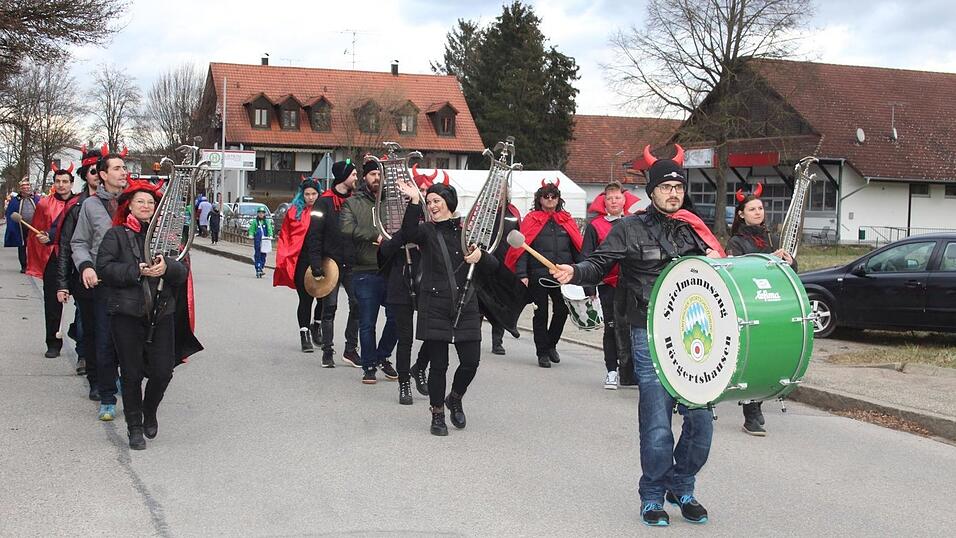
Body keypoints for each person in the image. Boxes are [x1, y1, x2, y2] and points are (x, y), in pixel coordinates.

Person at [551, 145, 726, 527]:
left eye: (678, 187)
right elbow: (599, 263)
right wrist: (574, 272)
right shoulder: (629, 228)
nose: (673, 193)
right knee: (657, 421)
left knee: (701, 422)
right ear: (651, 191)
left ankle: (682, 486)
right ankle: (652, 495)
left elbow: (721, 273)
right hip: (647, 332)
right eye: (665, 187)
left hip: (692, 336)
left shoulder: (693, 229)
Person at [395, 178, 498, 436]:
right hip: (434, 303)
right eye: (429, 202)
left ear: (449, 202)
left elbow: (494, 266)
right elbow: (407, 233)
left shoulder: (468, 232)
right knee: (438, 365)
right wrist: (415, 201)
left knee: (471, 362)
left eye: (436, 201)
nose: (432, 206)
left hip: (466, 305)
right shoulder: (426, 232)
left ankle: (456, 397)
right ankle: (437, 413)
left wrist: (481, 256)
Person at [96, 180, 193, 450]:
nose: (146, 206)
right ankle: (135, 427)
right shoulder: (115, 235)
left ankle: (149, 410)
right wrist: (136, 270)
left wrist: (167, 269)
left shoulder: (167, 238)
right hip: (126, 313)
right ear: (129, 205)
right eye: (141, 202)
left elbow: (182, 271)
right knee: (131, 373)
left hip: (161, 312)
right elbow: (104, 268)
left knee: (163, 371)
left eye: (151, 203)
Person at [725, 186, 796, 436]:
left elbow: (791, 270)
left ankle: (757, 401)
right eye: (752, 209)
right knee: (750, 357)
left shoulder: (772, 238)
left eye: (760, 209)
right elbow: (738, 269)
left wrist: (788, 260)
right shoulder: (736, 241)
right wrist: (768, 259)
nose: (758, 212)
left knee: (768, 355)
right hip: (748, 305)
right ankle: (751, 411)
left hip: (773, 305)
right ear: (741, 215)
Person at [72, 146, 130, 421]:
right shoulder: (90, 206)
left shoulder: (135, 202)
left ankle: (128, 388)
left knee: (129, 341)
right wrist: (85, 266)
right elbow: (79, 242)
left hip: (131, 281)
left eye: (124, 167)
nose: (123, 172)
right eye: (117, 168)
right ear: (103, 174)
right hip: (103, 283)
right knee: (105, 340)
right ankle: (107, 395)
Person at [504, 180, 582, 368]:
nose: (549, 199)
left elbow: (577, 247)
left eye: (553, 196)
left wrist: (581, 273)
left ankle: (551, 344)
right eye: (545, 196)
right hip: (538, 274)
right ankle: (542, 353)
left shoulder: (566, 220)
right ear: (539, 199)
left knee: (562, 311)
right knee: (541, 313)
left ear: (558, 199)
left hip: (562, 274)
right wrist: (522, 273)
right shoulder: (532, 219)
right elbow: (522, 248)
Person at [340, 160, 399, 383]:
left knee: (396, 317)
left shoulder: (394, 203)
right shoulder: (352, 204)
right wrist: (374, 235)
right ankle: (369, 366)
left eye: (380, 174)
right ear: (365, 177)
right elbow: (345, 227)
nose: (377, 178)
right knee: (367, 322)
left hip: (392, 269)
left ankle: (382, 356)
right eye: (373, 174)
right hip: (364, 269)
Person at [580, 181, 636, 389]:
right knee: (611, 328)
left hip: (632, 285)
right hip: (608, 285)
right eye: (609, 198)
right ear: (604, 202)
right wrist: (589, 286)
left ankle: (629, 371)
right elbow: (587, 256)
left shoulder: (634, 222)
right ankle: (611, 371)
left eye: (617, 197)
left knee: (633, 329)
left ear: (624, 200)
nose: (614, 201)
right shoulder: (595, 226)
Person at [57, 146, 103, 386]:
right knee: (85, 321)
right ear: (86, 174)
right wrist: (63, 283)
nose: (96, 175)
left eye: (99, 170)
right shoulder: (76, 206)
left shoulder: (117, 203)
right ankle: (85, 357)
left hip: (110, 276)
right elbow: (66, 246)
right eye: (92, 171)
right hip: (83, 275)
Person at [25, 164, 77, 358]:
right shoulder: (44, 204)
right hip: (53, 257)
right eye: (58, 181)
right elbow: (35, 233)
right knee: (52, 302)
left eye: (65, 181)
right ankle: (53, 342)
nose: (61, 185)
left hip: (75, 257)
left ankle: (83, 345)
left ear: (72, 183)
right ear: (53, 184)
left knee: (83, 303)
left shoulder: (79, 203)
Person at [273, 177, 328, 354]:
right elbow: (285, 237)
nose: (311, 197)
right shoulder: (294, 212)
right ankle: (304, 334)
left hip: (321, 259)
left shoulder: (324, 209)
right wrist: (284, 258)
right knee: (305, 299)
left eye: (314, 194)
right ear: (302, 194)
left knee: (323, 296)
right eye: (307, 194)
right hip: (300, 260)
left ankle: (316, 326)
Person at [314, 163, 361, 367]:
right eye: (353, 174)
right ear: (343, 177)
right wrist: (316, 263)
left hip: (352, 263)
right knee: (329, 307)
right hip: (330, 262)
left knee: (358, 305)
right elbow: (314, 235)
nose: (356, 177)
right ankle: (327, 351)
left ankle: (351, 350)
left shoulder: (356, 201)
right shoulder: (323, 202)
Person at [489, 201, 522, 355]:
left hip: (505, 265)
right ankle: (472, 338)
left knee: (502, 302)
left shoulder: (513, 213)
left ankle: (498, 341)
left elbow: (520, 239)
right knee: (480, 301)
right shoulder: (484, 211)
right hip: (485, 262)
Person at [4, 178, 40, 273]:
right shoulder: (15, 201)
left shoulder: (37, 199)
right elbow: (10, 214)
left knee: (34, 246)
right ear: (20, 188)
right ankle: (24, 265)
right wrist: (12, 227)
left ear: (30, 187)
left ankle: (34, 265)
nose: (26, 188)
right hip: (20, 228)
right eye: (23, 186)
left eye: (27, 185)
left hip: (34, 227)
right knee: (22, 246)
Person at [248, 207, 273, 278]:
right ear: (258, 213)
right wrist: (251, 234)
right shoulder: (255, 221)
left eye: (262, 213)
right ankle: (258, 268)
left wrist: (270, 235)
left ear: (264, 214)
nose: (261, 214)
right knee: (257, 254)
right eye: (259, 213)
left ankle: (261, 266)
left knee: (263, 255)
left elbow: (269, 228)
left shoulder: (266, 221)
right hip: (258, 240)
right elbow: (252, 229)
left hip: (265, 241)